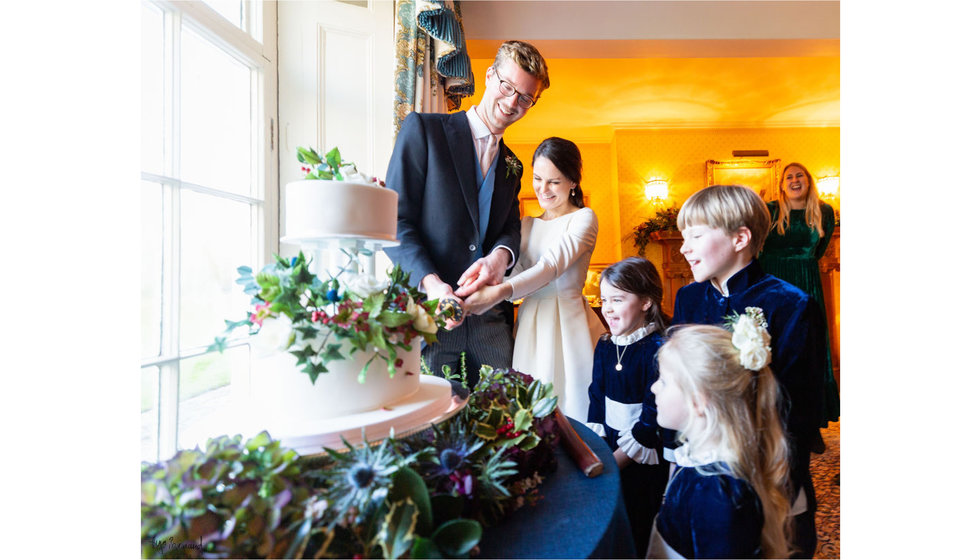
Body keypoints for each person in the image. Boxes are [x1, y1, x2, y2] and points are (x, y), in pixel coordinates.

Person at [669, 185, 824, 558]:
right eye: (682, 237)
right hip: (701, 464)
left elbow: (797, 411)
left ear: (740, 238)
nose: (683, 248)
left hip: (767, 469)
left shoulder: (790, 305)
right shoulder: (688, 298)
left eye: (696, 236)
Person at [384, 41, 550, 388]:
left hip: (491, 320)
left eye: (525, 98)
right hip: (430, 317)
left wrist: (499, 260)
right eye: (507, 87)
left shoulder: (513, 164)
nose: (511, 103)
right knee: (433, 426)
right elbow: (395, 222)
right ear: (489, 76)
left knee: (503, 420)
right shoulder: (425, 131)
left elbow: (508, 229)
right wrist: (432, 286)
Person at [463, 137, 607, 421]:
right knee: (530, 404)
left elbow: (551, 266)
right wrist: (478, 282)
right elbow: (515, 274)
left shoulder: (584, 219)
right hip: (530, 321)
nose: (543, 189)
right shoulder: (526, 224)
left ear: (573, 181)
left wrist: (501, 291)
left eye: (554, 181)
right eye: (538, 178)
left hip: (567, 319)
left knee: (572, 402)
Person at [648, 320, 793, 559]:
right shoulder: (698, 462)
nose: (654, 388)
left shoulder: (717, 495)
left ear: (698, 401)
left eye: (663, 381)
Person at [585, 257, 670, 556]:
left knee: (639, 521)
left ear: (646, 301)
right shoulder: (605, 346)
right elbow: (596, 397)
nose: (607, 308)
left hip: (642, 458)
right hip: (611, 447)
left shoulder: (659, 349)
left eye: (617, 299)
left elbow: (651, 419)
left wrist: (612, 464)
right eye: (604, 299)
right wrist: (597, 448)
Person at [759, 162, 840, 449]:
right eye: (789, 177)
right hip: (771, 284)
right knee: (775, 350)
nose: (794, 180)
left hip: (806, 283)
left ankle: (810, 425)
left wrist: (802, 269)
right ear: (782, 184)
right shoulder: (769, 210)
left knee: (809, 351)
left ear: (808, 181)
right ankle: (774, 425)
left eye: (800, 176)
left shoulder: (824, 211)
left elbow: (819, 250)